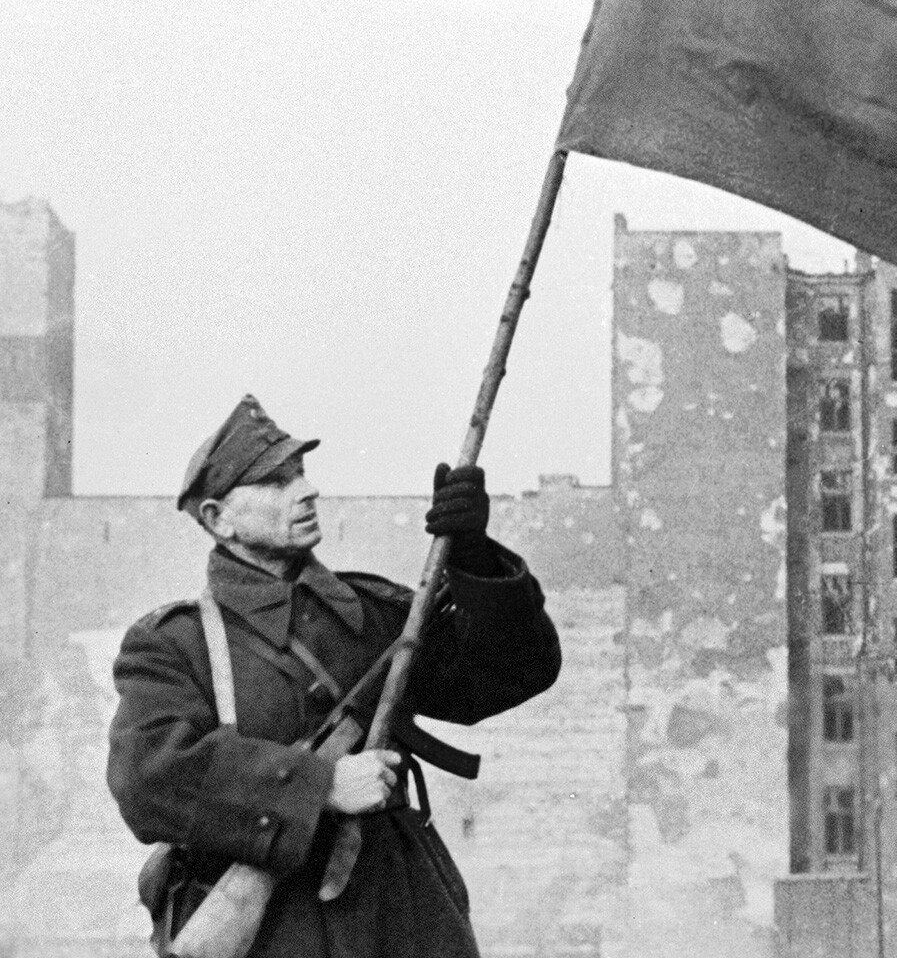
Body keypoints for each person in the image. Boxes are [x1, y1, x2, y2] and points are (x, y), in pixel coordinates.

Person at [106, 396, 563, 957]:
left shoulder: (372, 613)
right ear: (217, 518)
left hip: (405, 919)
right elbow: (147, 778)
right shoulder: (176, 643)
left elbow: (513, 672)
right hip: (280, 931)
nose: (305, 490)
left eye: (300, 473)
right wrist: (320, 786)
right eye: (275, 481)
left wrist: (476, 561)